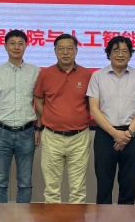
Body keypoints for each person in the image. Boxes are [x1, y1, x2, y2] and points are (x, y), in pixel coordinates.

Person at [88, 35, 135, 205]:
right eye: (116, 50)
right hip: (106, 135)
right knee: (104, 185)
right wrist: (115, 134)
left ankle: (126, 221)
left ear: (130, 54)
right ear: (109, 54)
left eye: (125, 51)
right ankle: (103, 220)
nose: (120, 54)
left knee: (128, 185)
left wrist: (128, 134)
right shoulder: (98, 76)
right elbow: (94, 109)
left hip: (132, 135)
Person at [34, 34, 92, 203]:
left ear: (76, 51)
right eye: (61, 49)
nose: (65, 52)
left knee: (78, 189)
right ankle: (54, 221)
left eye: (69, 48)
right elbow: (38, 100)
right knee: (52, 189)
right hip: (52, 137)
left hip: (79, 137)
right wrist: (51, 116)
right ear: (55, 51)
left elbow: (92, 104)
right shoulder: (45, 74)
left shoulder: (87, 75)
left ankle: (75, 220)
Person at [0, 30, 41, 203]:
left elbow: (39, 103)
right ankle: (0, 218)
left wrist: (38, 129)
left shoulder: (35, 71)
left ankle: (22, 218)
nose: (16, 47)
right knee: (0, 182)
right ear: (5, 46)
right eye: (12, 43)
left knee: (25, 182)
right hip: (2, 133)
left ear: (26, 46)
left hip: (27, 132)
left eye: (20, 43)